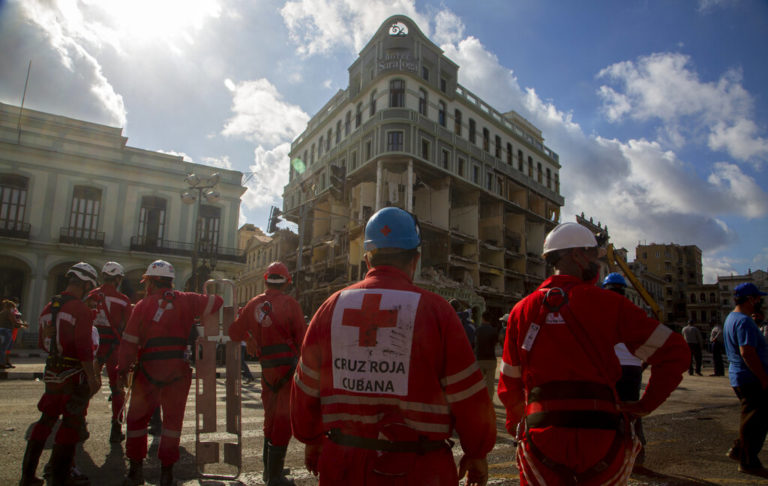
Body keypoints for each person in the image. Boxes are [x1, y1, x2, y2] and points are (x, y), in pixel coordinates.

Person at [291, 207, 496, 486]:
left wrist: (312, 438)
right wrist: (476, 451)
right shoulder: (437, 311)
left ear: (367, 259)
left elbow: (305, 386)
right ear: (415, 260)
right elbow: (467, 395)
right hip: (419, 469)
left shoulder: (330, 307)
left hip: (343, 464)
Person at [497, 222, 689, 485]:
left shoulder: (521, 311)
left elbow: (509, 383)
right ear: (577, 255)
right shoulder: (609, 304)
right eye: (594, 256)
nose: (597, 264)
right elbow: (674, 352)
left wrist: (518, 425)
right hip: (602, 440)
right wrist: (646, 404)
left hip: (542, 440)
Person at [118, 260, 223, 486]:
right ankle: (167, 474)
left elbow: (128, 343)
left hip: (148, 370)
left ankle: (135, 471)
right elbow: (218, 302)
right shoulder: (186, 299)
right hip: (178, 371)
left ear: (151, 282)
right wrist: (204, 293)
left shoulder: (143, 306)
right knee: (172, 424)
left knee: (136, 421)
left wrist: (121, 371)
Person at [19, 262, 102, 486]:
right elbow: (84, 347)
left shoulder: (49, 308)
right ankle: (60, 476)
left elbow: (43, 343)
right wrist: (93, 378)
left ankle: (28, 476)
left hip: (52, 373)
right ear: (86, 285)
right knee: (71, 423)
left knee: (46, 420)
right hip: (73, 374)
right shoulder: (80, 310)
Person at [229, 261, 306, 486]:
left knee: (270, 417)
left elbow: (234, 331)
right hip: (288, 369)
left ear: (266, 280)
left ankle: (269, 470)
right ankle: (274, 476)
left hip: (267, 370)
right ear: (287, 282)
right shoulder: (291, 304)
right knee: (283, 420)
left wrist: (249, 338)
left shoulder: (254, 303)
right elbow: (303, 340)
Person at [602, 272, 647, 466]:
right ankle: (638, 457)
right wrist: (640, 365)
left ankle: (611, 458)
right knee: (632, 414)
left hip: (610, 368)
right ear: (623, 290)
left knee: (608, 413)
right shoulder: (635, 311)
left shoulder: (599, 311)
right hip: (633, 369)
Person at [723, 282, 768, 476]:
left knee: (753, 417)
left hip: (741, 376)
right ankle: (747, 461)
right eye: (758, 298)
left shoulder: (732, 318)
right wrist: (764, 378)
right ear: (751, 299)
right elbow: (747, 352)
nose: (760, 301)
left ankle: (739, 449)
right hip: (750, 378)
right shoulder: (744, 321)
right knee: (756, 420)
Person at [89, 261, 133, 443]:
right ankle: (116, 427)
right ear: (117, 279)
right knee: (117, 388)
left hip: (92, 347)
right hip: (114, 347)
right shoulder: (122, 300)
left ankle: (78, 421)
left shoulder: (90, 295)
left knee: (87, 384)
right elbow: (128, 328)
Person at [475, 311, 499, 399]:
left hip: (479, 359)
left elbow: (474, 343)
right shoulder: (494, 331)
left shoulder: (477, 330)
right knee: (490, 382)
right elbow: (495, 344)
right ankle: (489, 401)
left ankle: (480, 401)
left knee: (479, 382)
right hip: (491, 359)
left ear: (482, 318)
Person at [0, 298, 23, 368]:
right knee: (5, 348)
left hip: (1, 330)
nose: (14, 309)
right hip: (7, 331)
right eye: (13, 307)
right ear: (10, 307)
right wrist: (23, 325)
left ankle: (5, 363)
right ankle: (2, 364)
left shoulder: (1, 313)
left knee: (3, 348)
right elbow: (14, 322)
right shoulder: (9, 313)